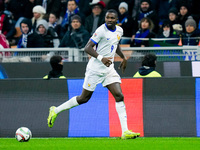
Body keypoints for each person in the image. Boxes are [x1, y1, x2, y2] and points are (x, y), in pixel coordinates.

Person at [47, 9, 140, 140]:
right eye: (107, 18)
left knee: (119, 95)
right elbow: (87, 48)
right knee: (84, 98)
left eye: (112, 18)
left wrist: (123, 57)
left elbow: (115, 44)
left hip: (108, 69)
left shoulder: (119, 31)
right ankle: (55, 110)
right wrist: (101, 58)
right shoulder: (101, 31)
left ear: (116, 20)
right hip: (95, 69)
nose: (109, 20)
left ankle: (124, 132)